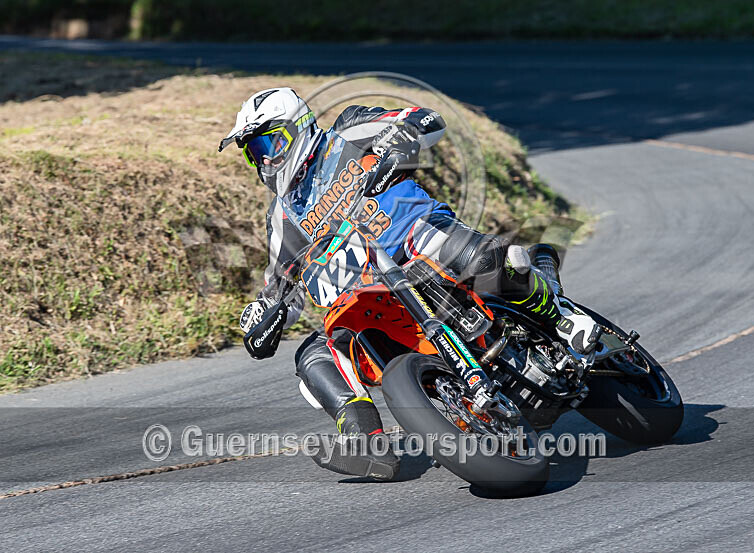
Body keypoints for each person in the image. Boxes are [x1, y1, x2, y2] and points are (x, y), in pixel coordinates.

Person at [219, 87, 601, 480]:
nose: (264, 159)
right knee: (312, 355)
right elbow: (282, 281)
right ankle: (363, 440)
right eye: (253, 152)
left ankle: (561, 317)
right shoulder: (282, 216)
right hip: (364, 291)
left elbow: (426, 120)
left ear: (297, 127)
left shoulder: (351, 130)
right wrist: (265, 315)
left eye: (269, 143)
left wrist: (397, 145)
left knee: (480, 257)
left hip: (417, 239)